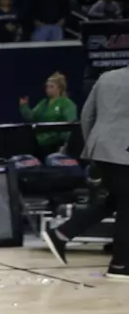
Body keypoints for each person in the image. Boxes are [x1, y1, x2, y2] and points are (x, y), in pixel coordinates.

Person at [42, 66, 129, 278]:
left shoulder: (107, 77)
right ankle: (121, 265)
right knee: (127, 204)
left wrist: (93, 145)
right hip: (123, 151)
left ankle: (62, 233)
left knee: (114, 200)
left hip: (100, 147)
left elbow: (87, 114)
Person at [20, 73, 79, 155]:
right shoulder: (43, 103)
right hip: (39, 142)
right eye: (47, 86)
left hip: (56, 143)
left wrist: (66, 144)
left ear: (59, 88)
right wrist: (24, 107)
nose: (47, 89)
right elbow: (31, 117)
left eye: (51, 86)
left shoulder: (67, 103)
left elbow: (71, 124)